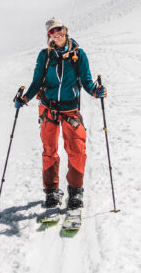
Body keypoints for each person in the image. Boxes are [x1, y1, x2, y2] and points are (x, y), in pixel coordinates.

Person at [15, 17, 107, 210]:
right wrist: (25, 98)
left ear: (65, 29)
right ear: (49, 36)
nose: (56, 33)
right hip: (48, 108)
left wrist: (96, 91)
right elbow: (37, 82)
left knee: (76, 151)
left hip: (70, 109)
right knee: (49, 152)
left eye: (58, 29)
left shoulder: (78, 55)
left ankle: (75, 192)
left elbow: (87, 81)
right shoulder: (45, 56)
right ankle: (51, 192)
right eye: (51, 31)